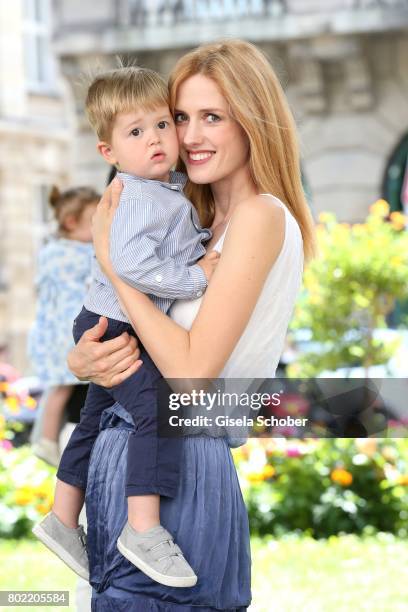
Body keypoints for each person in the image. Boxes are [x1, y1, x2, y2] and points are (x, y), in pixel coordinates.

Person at [68, 39, 315, 611]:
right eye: (181, 118)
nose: (190, 136)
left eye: (213, 117)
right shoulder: (193, 222)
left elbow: (192, 375)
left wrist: (114, 263)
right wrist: (84, 360)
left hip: (179, 467)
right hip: (130, 467)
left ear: (254, 122)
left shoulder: (260, 216)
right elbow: (136, 336)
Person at [33, 66, 219, 587]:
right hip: (114, 326)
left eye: (162, 125)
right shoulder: (136, 196)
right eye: (135, 132)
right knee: (154, 412)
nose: (155, 140)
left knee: (92, 420)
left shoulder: (165, 188)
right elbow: (132, 265)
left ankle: (64, 517)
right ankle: (143, 527)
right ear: (108, 152)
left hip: (105, 320)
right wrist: (195, 277)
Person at [28, 186, 99, 467]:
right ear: (72, 222)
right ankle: (47, 440)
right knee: (65, 386)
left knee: (58, 388)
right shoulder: (81, 252)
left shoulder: (51, 251)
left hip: (51, 327)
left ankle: (48, 438)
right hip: (67, 330)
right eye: (94, 219)